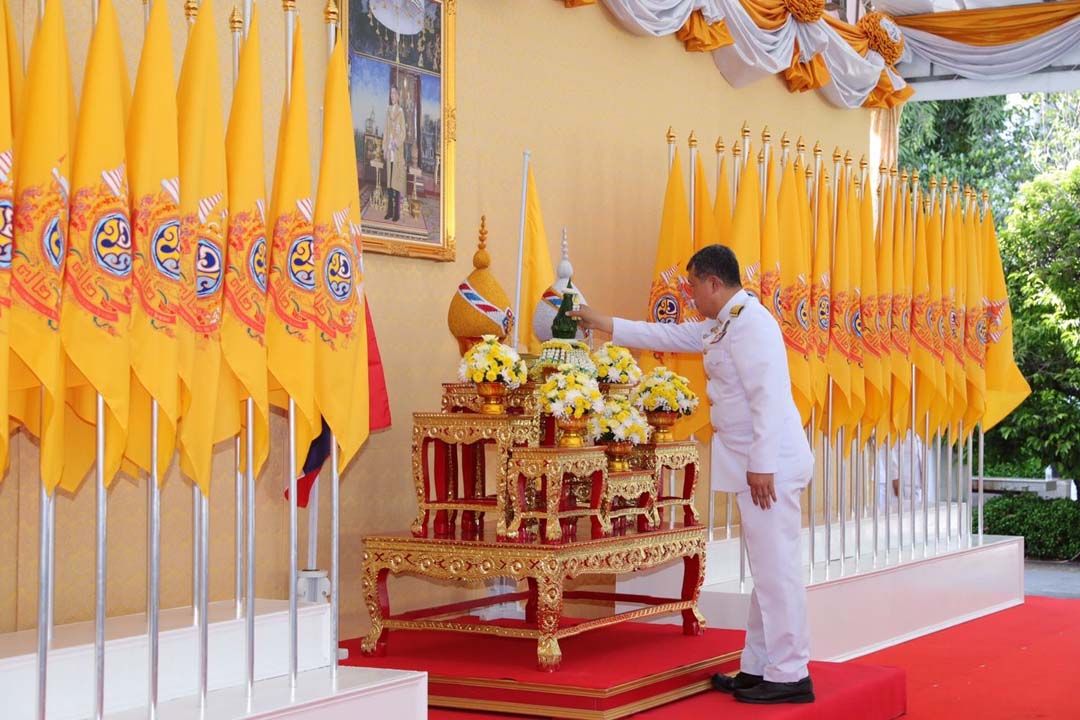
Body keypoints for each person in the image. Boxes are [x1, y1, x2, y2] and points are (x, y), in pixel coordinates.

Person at [571, 244, 815, 705]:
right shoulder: (724, 324)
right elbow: (667, 337)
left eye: (693, 288)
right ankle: (760, 666)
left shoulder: (752, 325)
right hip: (756, 463)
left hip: (771, 464)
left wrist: (762, 465)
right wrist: (605, 323)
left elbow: (769, 398)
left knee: (776, 570)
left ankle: (791, 673)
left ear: (713, 283)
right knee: (765, 570)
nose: (690, 297)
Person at [876, 430, 936, 510]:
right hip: (896, 480)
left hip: (915, 478)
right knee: (894, 514)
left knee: (915, 515)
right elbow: (885, 441)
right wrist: (895, 476)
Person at [383, 84, 407, 222]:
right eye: (391, 94)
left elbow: (403, 133)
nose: (392, 96)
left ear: (398, 96)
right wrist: (385, 147)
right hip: (389, 152)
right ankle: (389, 211)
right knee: (389, 184)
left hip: (397, 152)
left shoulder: (401, 112)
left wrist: (395, 143)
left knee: (396, 183)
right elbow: (386, 130)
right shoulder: (387, 111)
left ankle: (396, 212)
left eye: (394, 94)